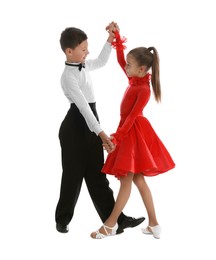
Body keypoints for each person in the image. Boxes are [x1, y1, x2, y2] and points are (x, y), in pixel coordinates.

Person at [55, 22, 145, 235]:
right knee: (72, 176)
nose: (88, 52)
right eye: (84, 49)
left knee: (97, 176)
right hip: (75, 128)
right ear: (70, 51)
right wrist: (104, 136)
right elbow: (85, 110)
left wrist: (111, 39)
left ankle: (117, 220)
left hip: (91, 126)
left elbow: (102, 61)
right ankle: (62, 219)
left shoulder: (83, 65)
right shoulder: (68, 77)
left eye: (87, 48)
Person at [91, 26, 175, 239]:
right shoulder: (134, 79)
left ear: (142, 69)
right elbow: (120, 60)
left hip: (132, 133)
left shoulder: (143, 90)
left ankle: (110, 225)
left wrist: (118, 137)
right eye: (127, 64)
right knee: (138, 180)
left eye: (130, 65)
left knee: (127, 180)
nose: (125, 67)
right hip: (129, 132)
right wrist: (117, 38)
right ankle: (154, 224)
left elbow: (131, 117)